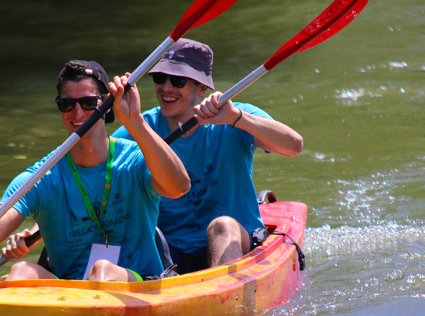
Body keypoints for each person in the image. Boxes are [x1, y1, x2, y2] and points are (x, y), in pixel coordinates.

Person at [0, 60, 190, 286]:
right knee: (19, 272)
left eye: (87, 103)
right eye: (66, 104)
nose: (77, 113)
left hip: (140, 282)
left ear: (106, 106)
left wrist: (135, 122)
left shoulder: (134, 158)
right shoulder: (41, 176)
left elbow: (179, 187)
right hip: (70, 292)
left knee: (102, 271)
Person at [112, 38, 303, 274]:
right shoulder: (138, 126)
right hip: (168, 250)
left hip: (234, 241)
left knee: (221, 226)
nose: (166, 88)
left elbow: (294, 146)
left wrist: (236, 118)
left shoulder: (232, 114)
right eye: (160, 79)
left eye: (178, 80)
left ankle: (225, 299)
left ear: (201, 89)